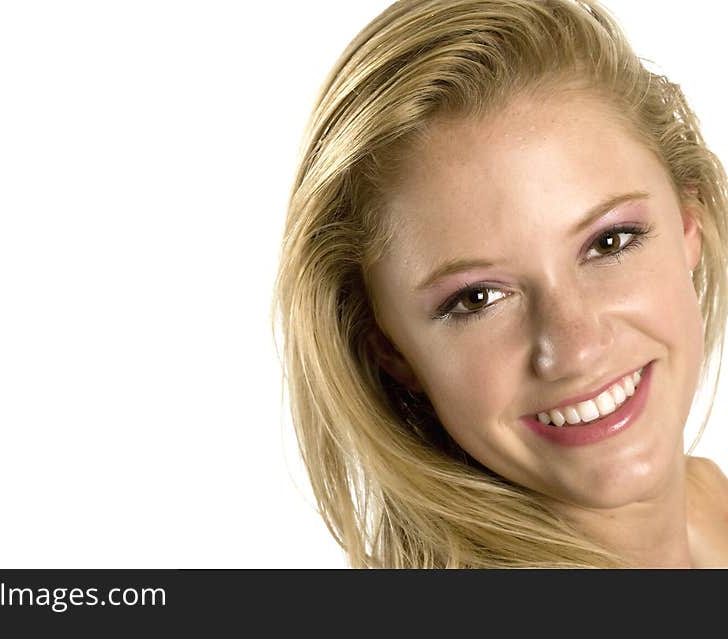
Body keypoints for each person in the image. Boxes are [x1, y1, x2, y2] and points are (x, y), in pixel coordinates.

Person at [274, 0, 728, 568]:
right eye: (477, 298)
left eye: (608, 243)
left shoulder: (710, 504)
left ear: (691, 222)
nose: (575, 347)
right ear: (390, 349)